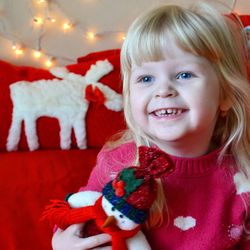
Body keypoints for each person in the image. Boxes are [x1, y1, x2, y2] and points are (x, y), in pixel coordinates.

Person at [52, 2, 250, 249]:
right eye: (146, 78)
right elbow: (80, 215)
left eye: (184, 75)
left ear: (226, 94)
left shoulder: (242, 176)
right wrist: (64, 242)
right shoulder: (117, 162)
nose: (163, 90)